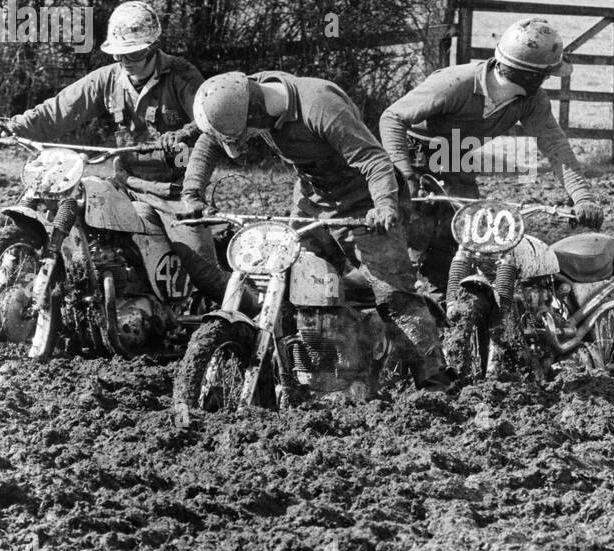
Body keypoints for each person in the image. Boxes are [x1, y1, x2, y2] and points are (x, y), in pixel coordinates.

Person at [178, 70, 452, 391]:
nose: (250, 140)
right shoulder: (242, 93)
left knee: (392, 294)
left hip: (366, 204)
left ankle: (433, 379)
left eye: (247, 134)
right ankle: (300, 368)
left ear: (255, 113)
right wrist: (192, 193)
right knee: (286, 280)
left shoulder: (319, 105)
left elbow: (374, 160)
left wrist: (386, 207)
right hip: (313, 201)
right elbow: (210, 138)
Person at [0, 1, 227, 302]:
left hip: (174, 194)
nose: (127, 62)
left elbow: (211, 119)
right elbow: (59, 110)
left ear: (152, 48)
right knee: (77, 207)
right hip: (126, 186)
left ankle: (252, 317)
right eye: (119, 55)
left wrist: (182, 133)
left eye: (134, 53)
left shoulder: (181, 76)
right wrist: (13, 126)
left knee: (204, 274)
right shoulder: (108, 79)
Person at [379, 18, 605, 298]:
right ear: (530, 75)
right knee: (403, 241)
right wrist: (405, 174)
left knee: (463, 235)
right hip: (405, 155)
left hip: (452, 160)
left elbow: (555, 146)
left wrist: (582, 196)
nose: (547, 79)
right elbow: (392, 118)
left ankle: (447, 307)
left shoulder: (531, 100)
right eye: (546, 74)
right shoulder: (456, 83)